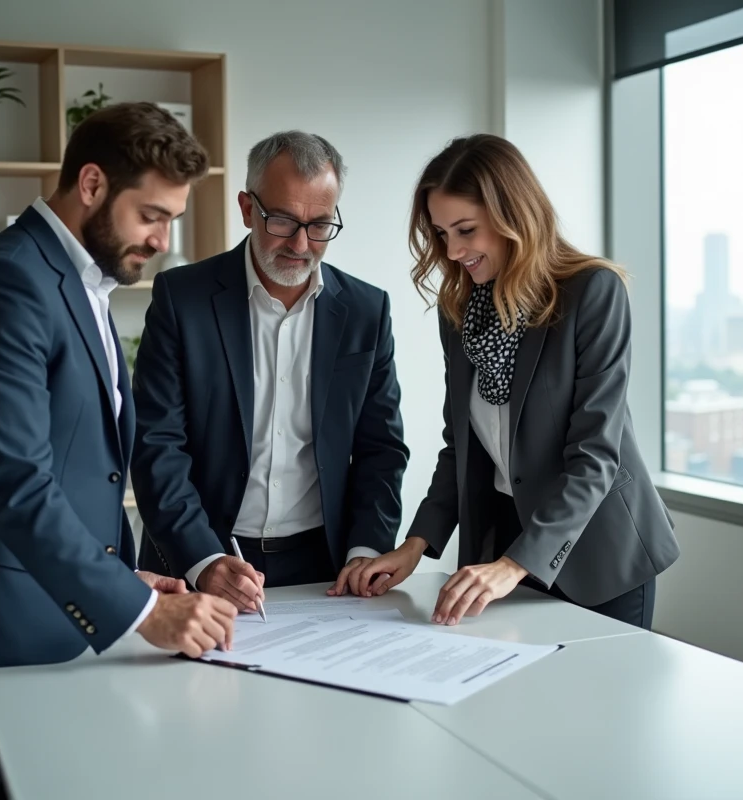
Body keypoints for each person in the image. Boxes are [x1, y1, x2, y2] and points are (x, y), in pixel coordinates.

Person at [0, 103, 238, 796]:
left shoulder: (77, 279)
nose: (163, 240)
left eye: (172, 220)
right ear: (92, 184)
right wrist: (143, 613)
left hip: (32, 619)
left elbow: (79, 468)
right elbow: (17, 485)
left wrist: (124, 579)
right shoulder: (6, 284)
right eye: (151, 215)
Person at [348, 133, 680, 630]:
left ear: (513, 216)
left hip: (597, 553)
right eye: (441, 233)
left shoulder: (592, 293)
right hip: (504, 544)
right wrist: (414, 546)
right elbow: (460, 448)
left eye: (466, 230)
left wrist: (514, 565)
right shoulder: (459, 312)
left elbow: (595, 456)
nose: (453, 250)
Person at [131, 130, 409, 611]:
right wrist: (203, 560)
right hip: (202, 558)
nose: (301, 244)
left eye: (319, 225)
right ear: (247, 208)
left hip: (327, 566)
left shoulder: (367, 310)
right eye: (282, 220)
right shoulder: (182, 299)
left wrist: (366, 550)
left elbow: (381, 449)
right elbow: (157, 445)